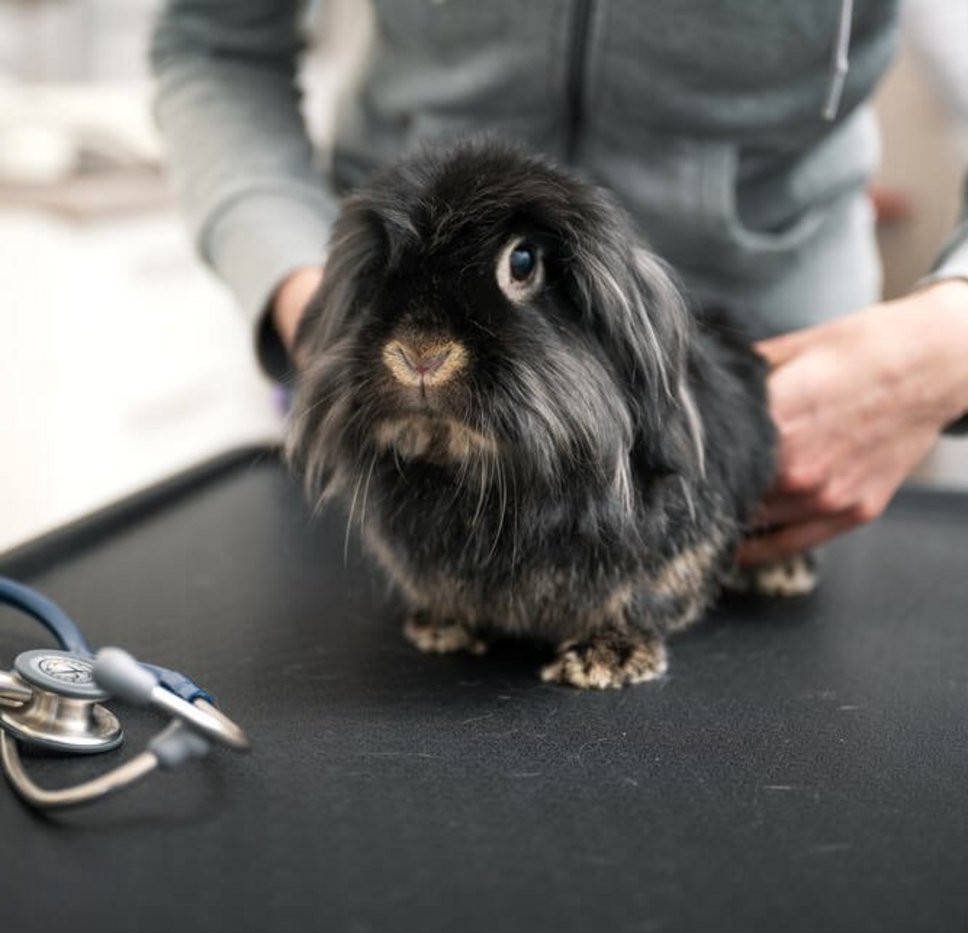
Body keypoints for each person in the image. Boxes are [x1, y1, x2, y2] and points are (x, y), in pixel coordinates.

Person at [150, 0, 968, 565]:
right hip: (395, 429)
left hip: (777, 435)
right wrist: (314, 301)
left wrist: (942, 345)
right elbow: (215, 47)